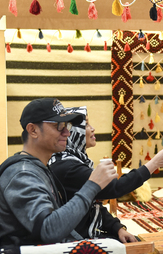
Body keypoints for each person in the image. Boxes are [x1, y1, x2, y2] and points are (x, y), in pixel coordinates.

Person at [0, 98, 119, 252]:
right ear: (33, 130)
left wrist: (116, 228)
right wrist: (92, 185)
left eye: (67, 125)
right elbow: (49, 230)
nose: (67, 132)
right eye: (59, 126)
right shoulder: (22, 174)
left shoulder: (39, 167)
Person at [49, 106, 163, 242]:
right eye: (87, 124)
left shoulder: (70, 160)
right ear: (73, 132)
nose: (93, 128)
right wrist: (154, 164)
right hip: (76, 240)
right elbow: (115, 188)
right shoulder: (67, 167)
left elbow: (93, 205)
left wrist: (118, 228)